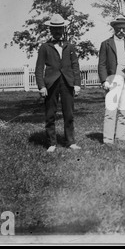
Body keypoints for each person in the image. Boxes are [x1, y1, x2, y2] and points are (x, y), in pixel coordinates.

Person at [35, 14, 82, 152]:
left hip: (67, 82)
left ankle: (71, 142)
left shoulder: (70, 46)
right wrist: (41, 86)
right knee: (50, 114)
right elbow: (39, 68)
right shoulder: (45, 47)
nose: (57, 32)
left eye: (60, 29)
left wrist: (77, 84)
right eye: (54, 29)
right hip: (51, 84)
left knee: (69, 114)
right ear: (50, 30)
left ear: (63, 29)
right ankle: (52, 143)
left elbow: (75, 66)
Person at [98, 16, 125, 145]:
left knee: (124, 108)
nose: (122, 31)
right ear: (114, 29)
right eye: (119, 28)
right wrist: (104, 81)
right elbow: (102, 64)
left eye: (124, 28)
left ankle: (121, 136)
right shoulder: (106, 44)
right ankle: (108, 139)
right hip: (113, 77)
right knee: (111, 109)